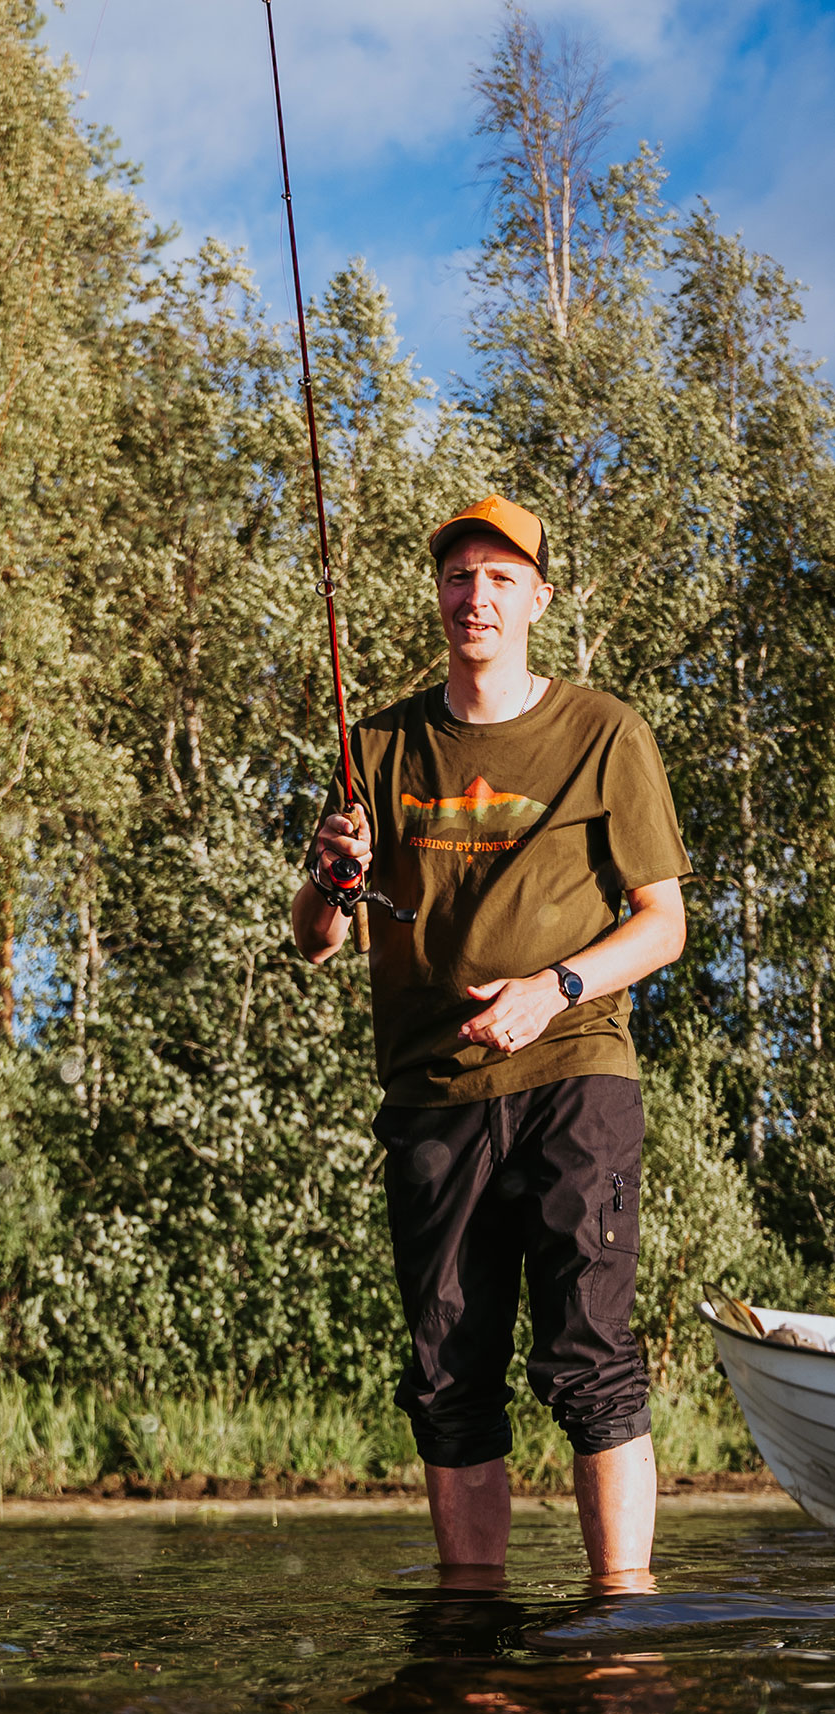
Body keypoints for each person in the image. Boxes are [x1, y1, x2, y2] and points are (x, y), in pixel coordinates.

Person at [291, 496, 690, 1591]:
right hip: (431, 1093)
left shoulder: (606, 733)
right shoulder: (374, 744)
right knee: (447, 1373)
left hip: (576, 1073)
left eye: (501, 579)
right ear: (441, 597)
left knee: (590, 1358)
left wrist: (552, 988)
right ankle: (471, 1643)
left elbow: (663, 922)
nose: (478, 597)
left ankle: (621, 1619)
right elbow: (317, 938)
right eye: (461, 577)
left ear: (537, 601)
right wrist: (330, 878)